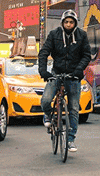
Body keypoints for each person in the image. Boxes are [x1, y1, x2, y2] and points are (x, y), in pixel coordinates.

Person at [38, 9, 91, 153]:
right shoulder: (54, 34)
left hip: (74, 76)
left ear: (75, 23)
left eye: (71, 22)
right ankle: (48, 115)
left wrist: (78, 70)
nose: (69, 24)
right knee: (45, 100)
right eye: (66, 22)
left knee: (74, 108)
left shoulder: (82, 35)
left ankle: (70, 139)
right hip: (56, 74)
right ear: (62, 23)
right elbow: (43, 53)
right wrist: (43, 71)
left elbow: (87, 55)